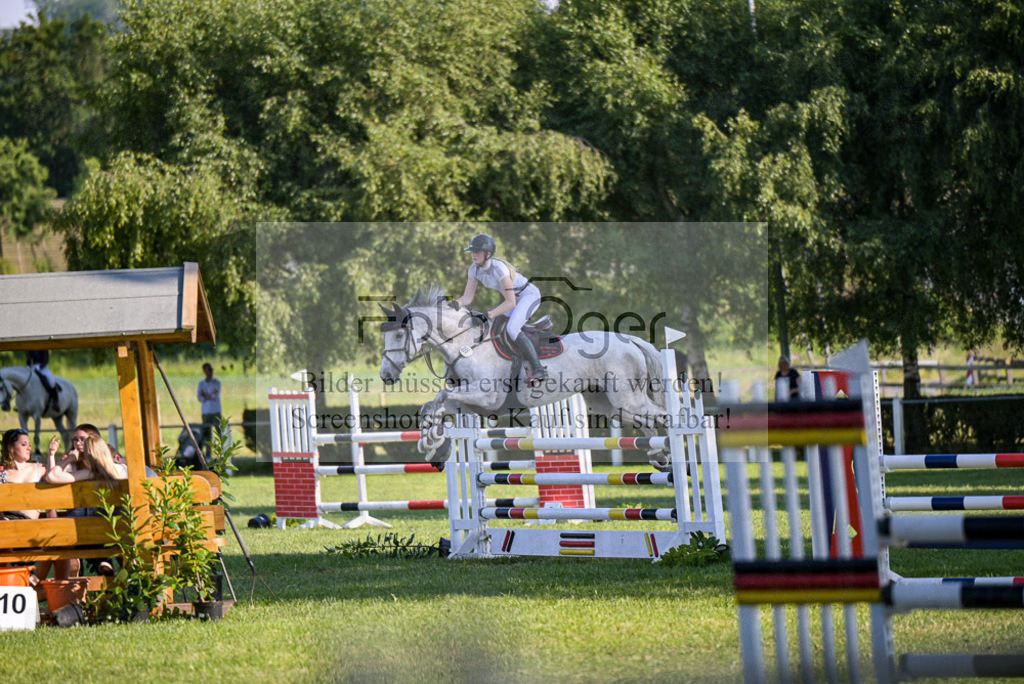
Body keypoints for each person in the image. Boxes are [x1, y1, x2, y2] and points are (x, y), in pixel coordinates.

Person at [453, 234, 547, 381]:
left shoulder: (498, 269)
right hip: (514, 299)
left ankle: (539, 369)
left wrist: (487, 315)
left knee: (512, 329)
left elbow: (510, 303)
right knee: (494, 327)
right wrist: (455, 303)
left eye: (477, 251)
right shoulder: (474, 269)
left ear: (488, 254)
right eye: (472, 251)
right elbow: (467, 298)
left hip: (529, 296)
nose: (473, 254)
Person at [1, 428, 47, 519]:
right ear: (11, 448)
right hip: (7, 521)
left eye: (29, 445)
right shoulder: (2, 472)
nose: (29, 448)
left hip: (30, 525)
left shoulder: (40, 468)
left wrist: (52, 455)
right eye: (23, 445)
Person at [197, 363, 222, 459]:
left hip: (216, 411)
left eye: (211, 369)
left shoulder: (217, 382)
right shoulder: (201, 384)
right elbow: (199, 397)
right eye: (208, 370)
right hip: (206, 412)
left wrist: (206, 395)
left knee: (220, 432)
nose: (210, 372)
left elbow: (217, 395)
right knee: (207, 434)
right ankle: (208, 456)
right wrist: (209, 395)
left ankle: (223, 454)